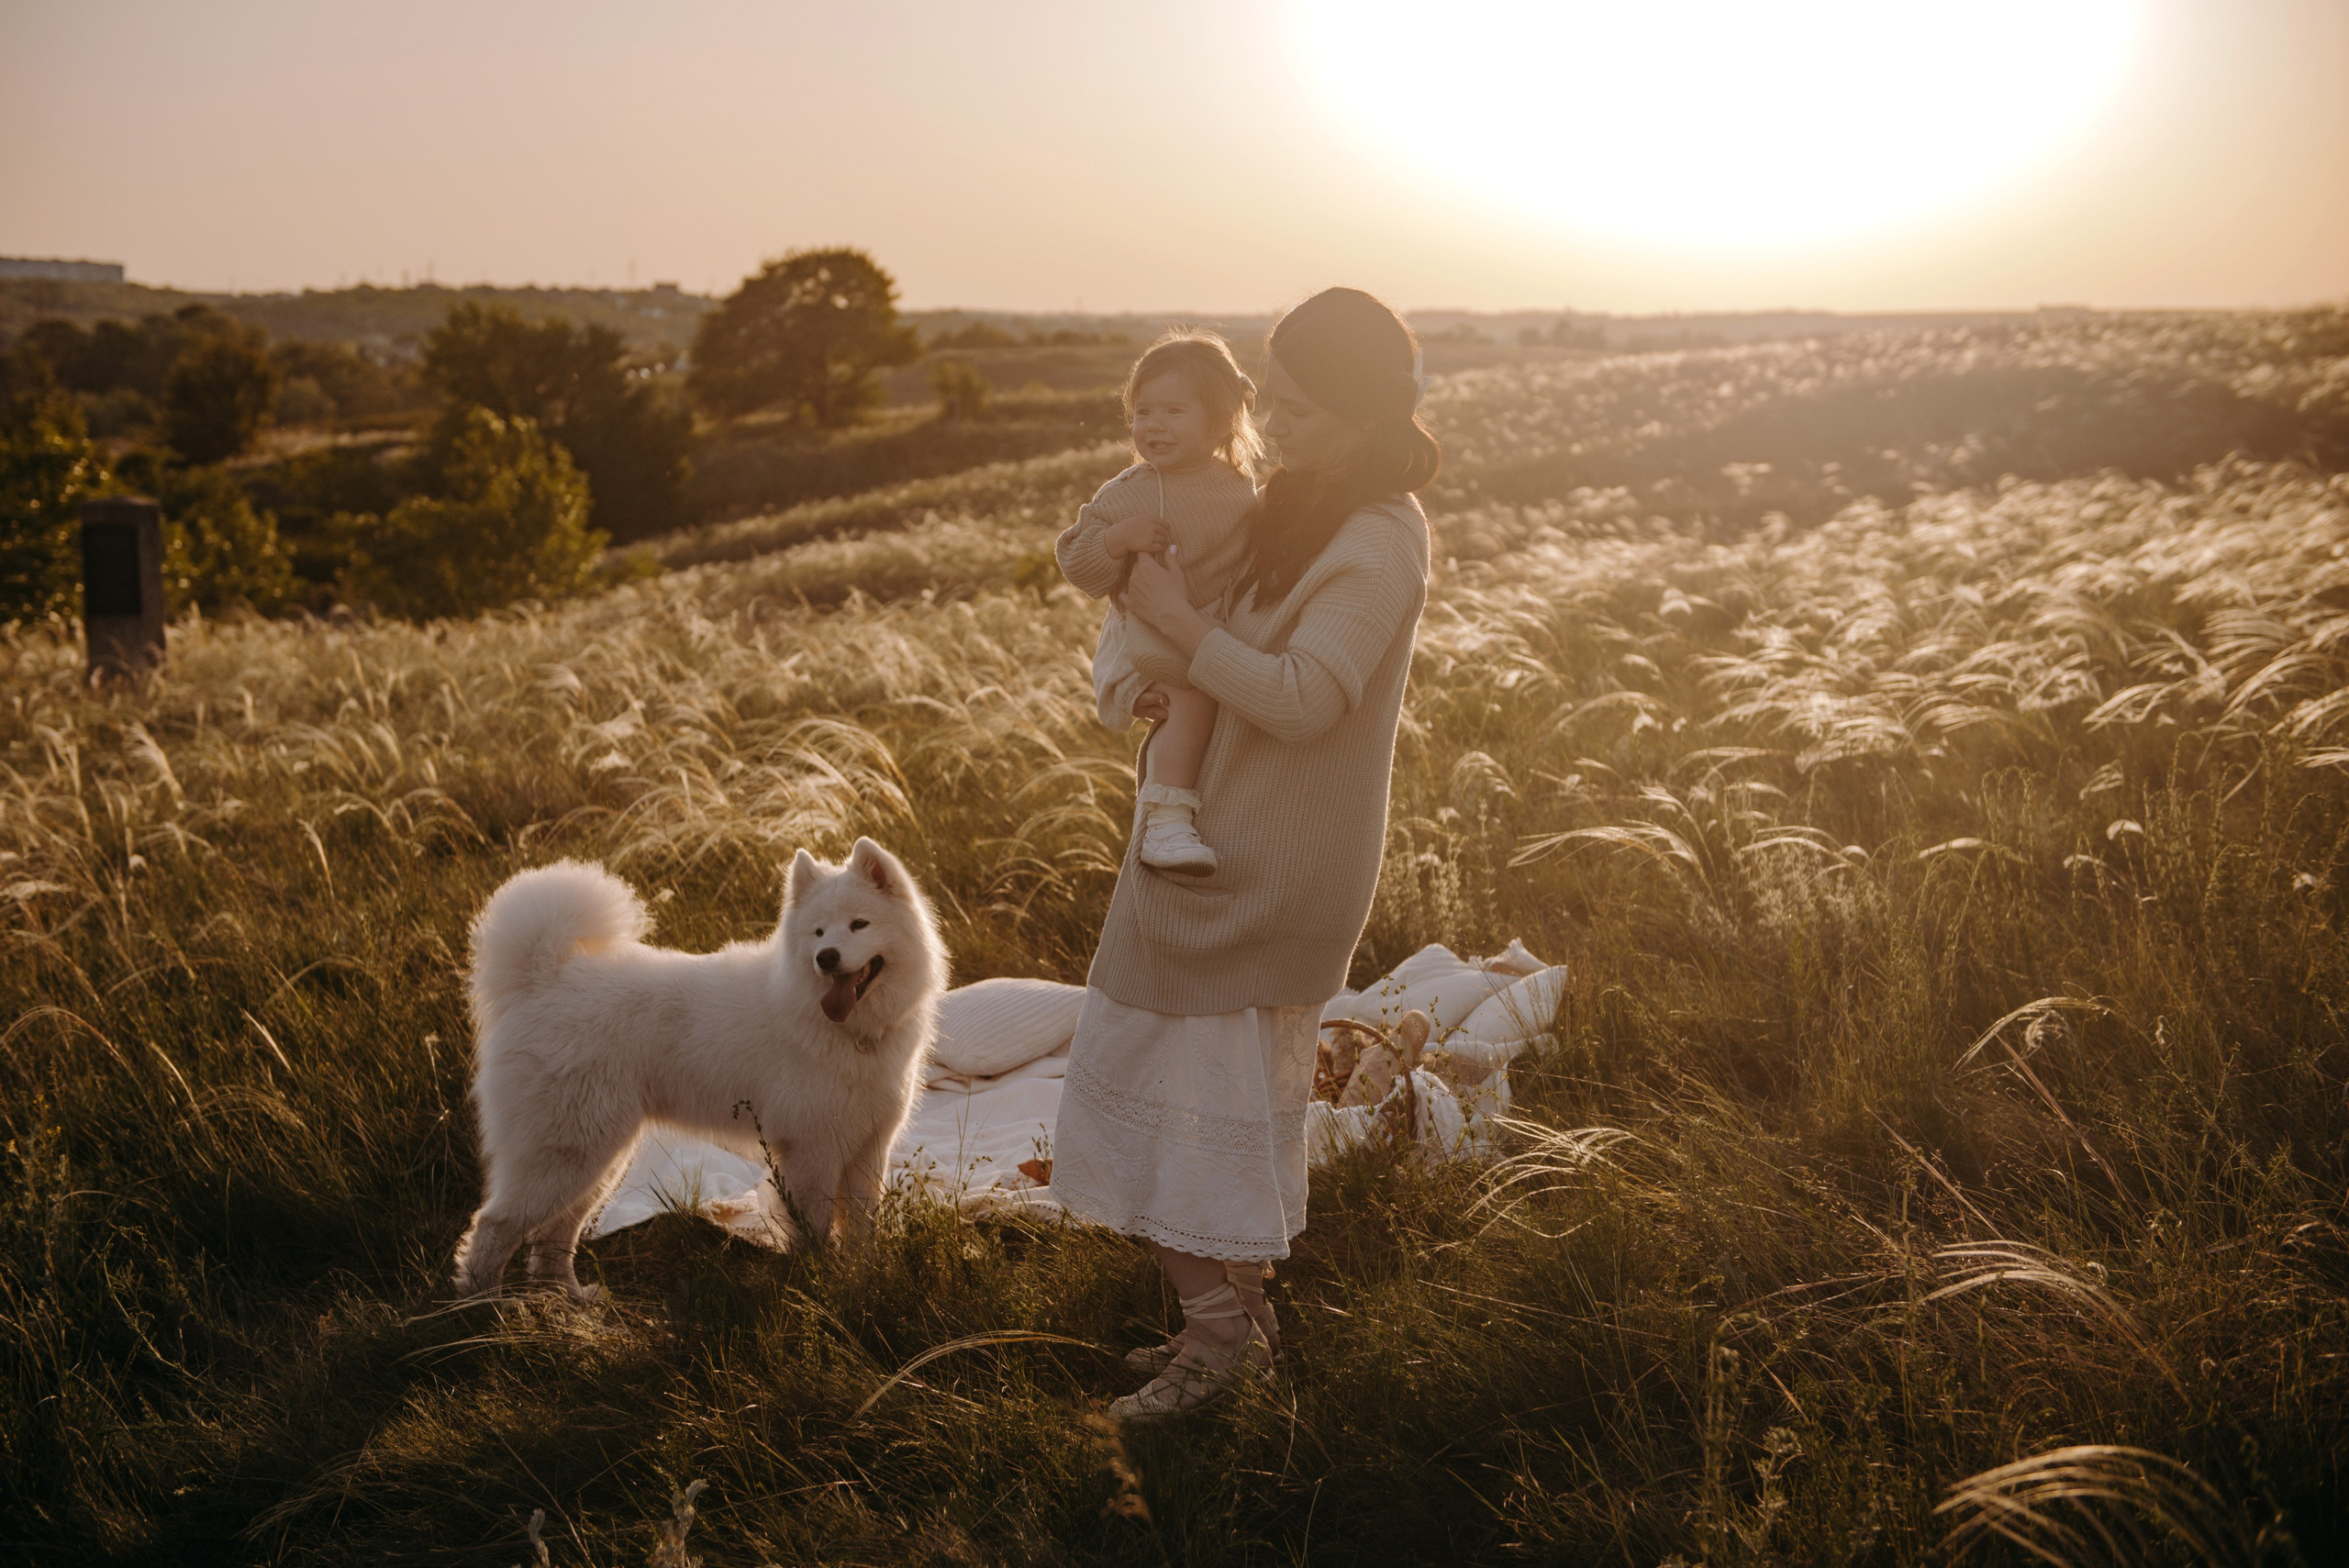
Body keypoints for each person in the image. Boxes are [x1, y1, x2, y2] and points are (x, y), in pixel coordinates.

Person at [1049, 288, 1442, 1422]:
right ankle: (1234, 1327)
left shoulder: (1378, 540)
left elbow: (1305, 698)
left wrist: (1181, 625)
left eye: (1302, 406)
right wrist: (1155, 665)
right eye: (1272, 394)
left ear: (1365, 414)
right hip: (1210, 835)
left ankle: (1219, 1343)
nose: (1274, 418)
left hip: (1264, 859)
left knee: (1165, 1096)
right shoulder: (1299, 503)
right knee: (1191, 1099)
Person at [1055, 331, 1265, 875]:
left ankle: (1212, 820)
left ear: (1221, 420)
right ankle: (1166, 825)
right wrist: (1115, 540)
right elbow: (1075, 560)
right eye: (1144, 411)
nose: (1154, 425)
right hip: (1141, 635)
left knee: (1215, 701)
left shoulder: (1236, 487)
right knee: (1190, 700)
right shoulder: (1129, 491)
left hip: (1200, 627)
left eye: (1174, 411)